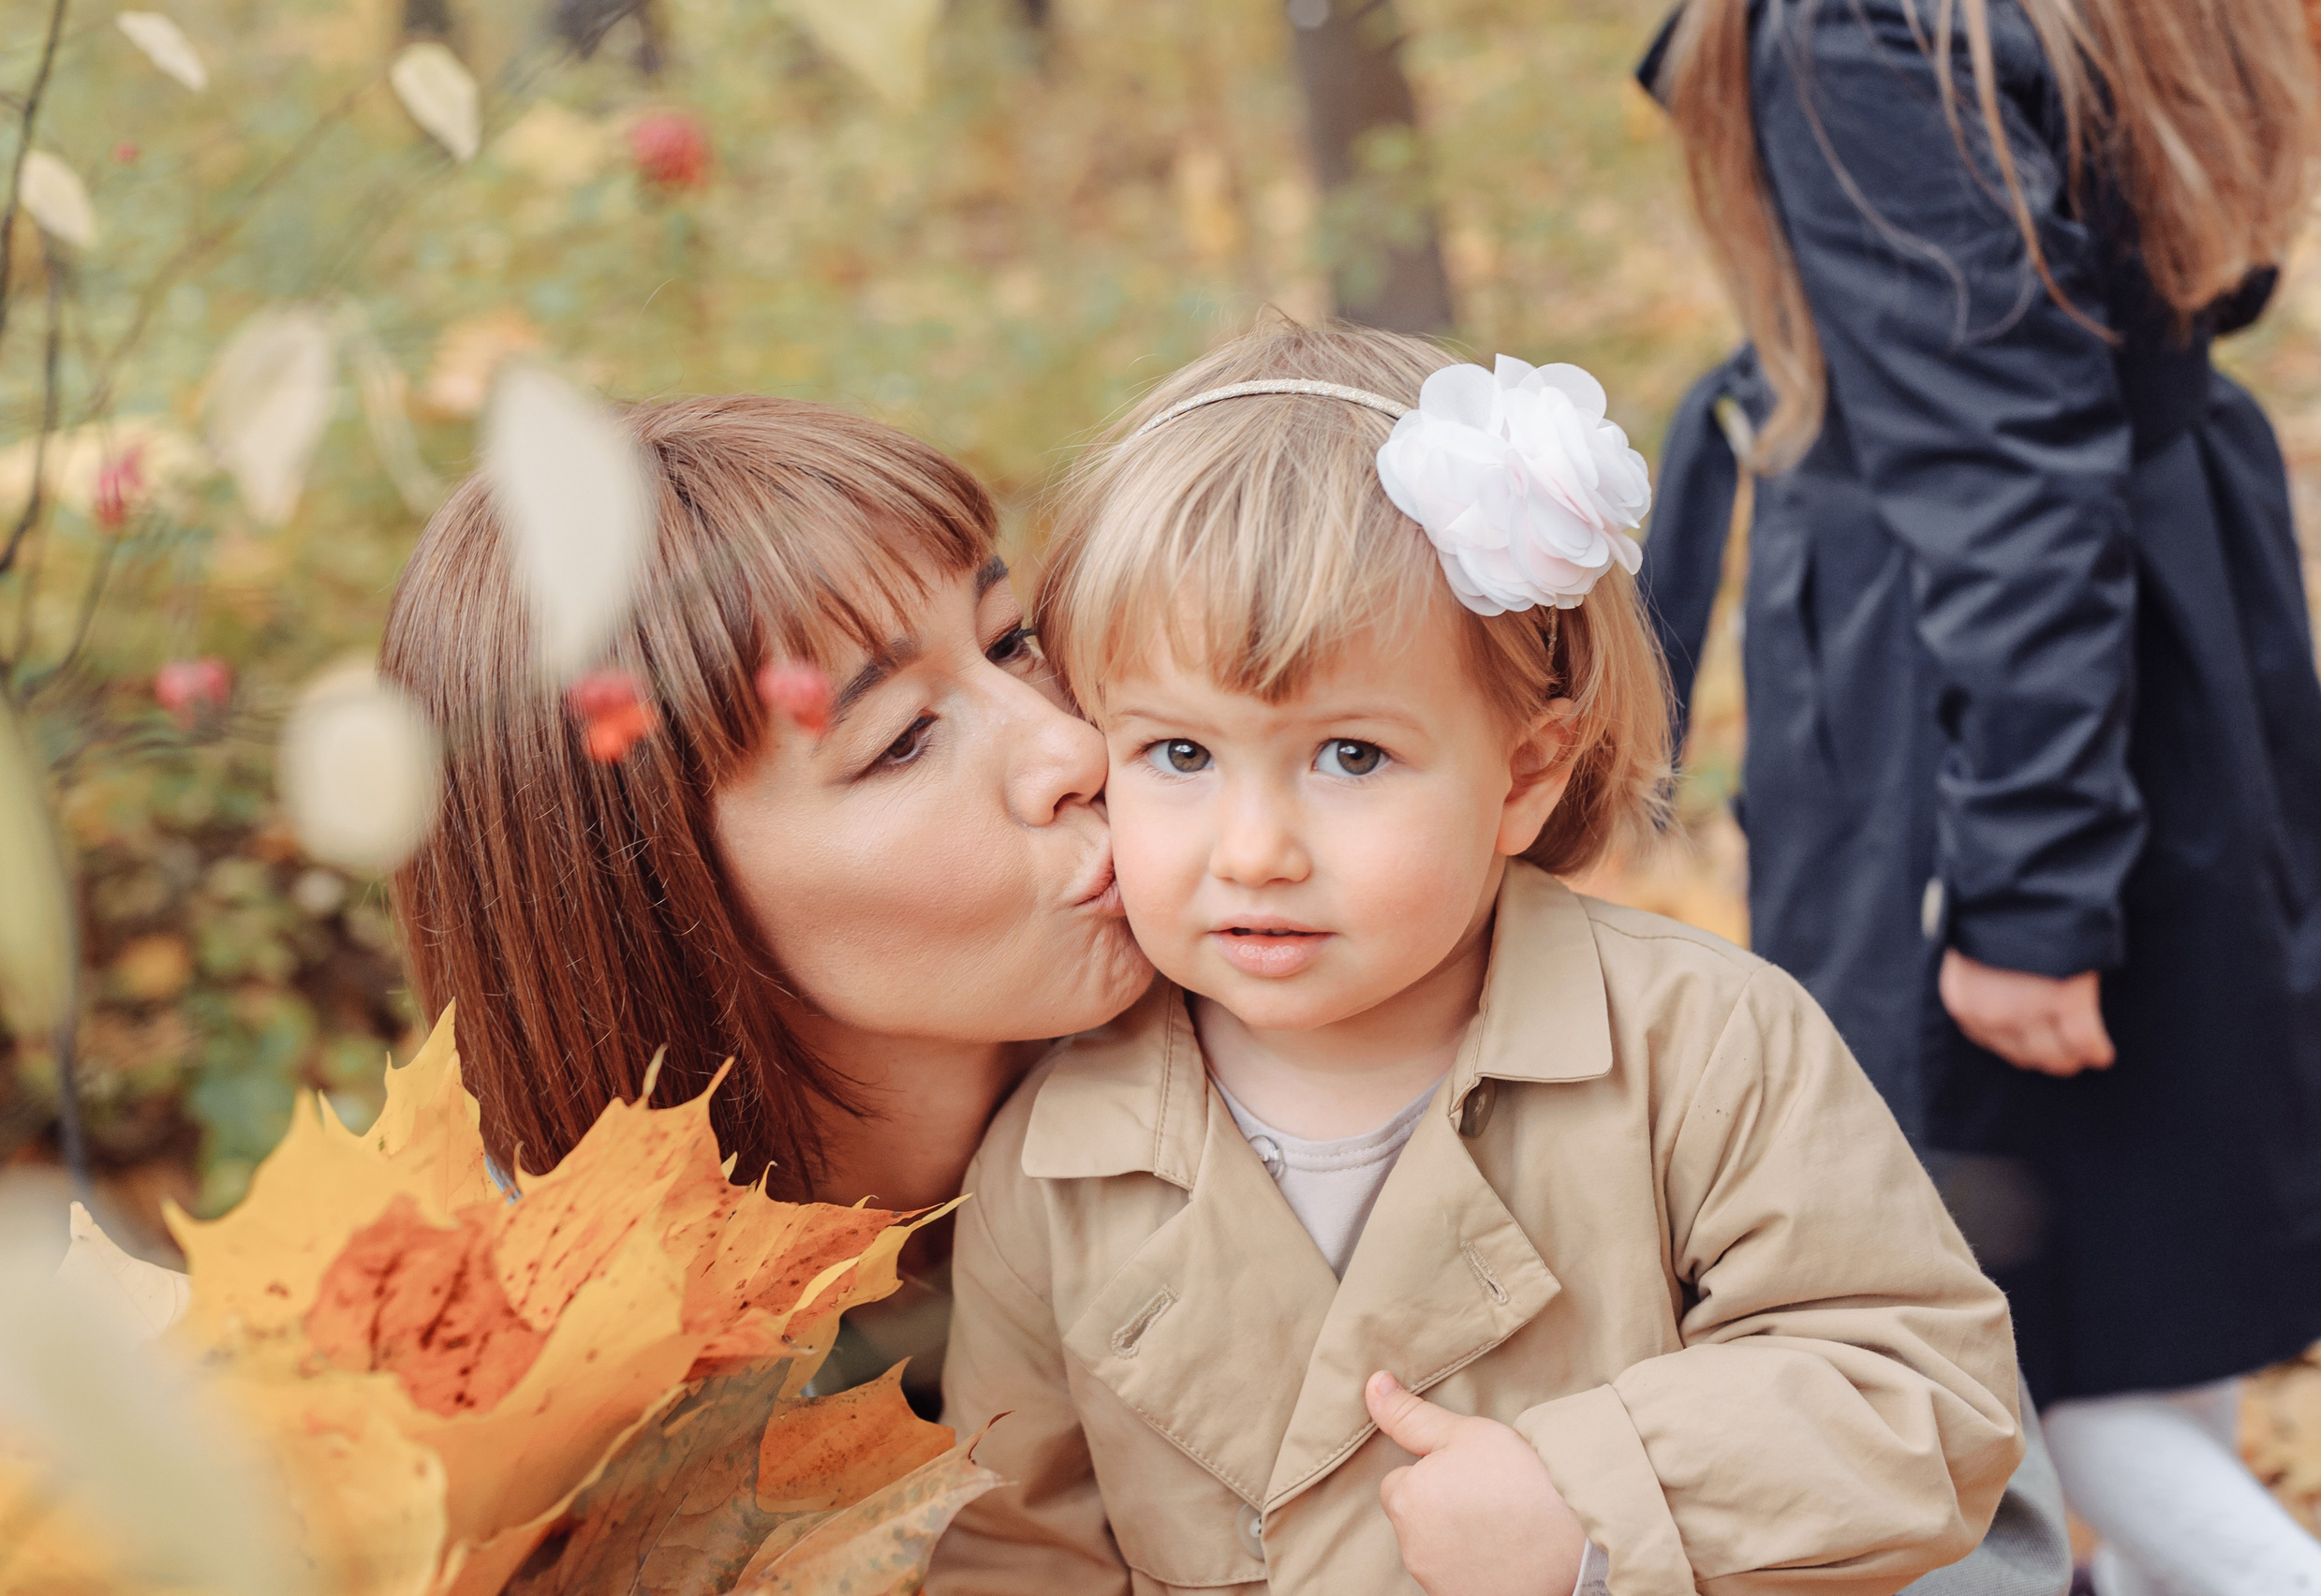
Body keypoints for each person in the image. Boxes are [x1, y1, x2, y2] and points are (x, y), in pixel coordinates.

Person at [929, 321, 2023, 1596]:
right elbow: (1014, 1556)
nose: (1256, 850)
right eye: (1178, 755)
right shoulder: (1054, 1159)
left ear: (1522, 775)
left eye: (1351, 757)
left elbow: (1921, 1396)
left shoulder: (1703, 1042)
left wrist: (1593, 1506)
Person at [1640, 3, 2321, 1592]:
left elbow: (2007, 476)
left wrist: (2029, 891)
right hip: (2160, 633)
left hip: (1979, 719)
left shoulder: (1869, 28)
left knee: (1971, 1320)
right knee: (2142, 1266)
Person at [379, 393, 1154, 1401]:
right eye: (904, 739)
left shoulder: (1318, 1056)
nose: (1075, 747)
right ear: (656, 903)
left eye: (1011, 642)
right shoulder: (519, 1415)